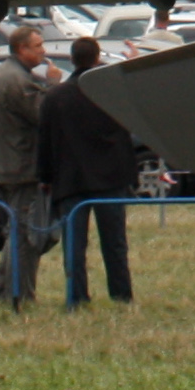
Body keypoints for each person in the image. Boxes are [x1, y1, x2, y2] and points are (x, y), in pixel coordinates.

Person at [41, 36, 143, 308]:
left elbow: (46, 141)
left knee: (74, 247)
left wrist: (45, 177)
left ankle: (76, 297)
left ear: (72, 59)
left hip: (71, 179)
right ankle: (122, 295)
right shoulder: (112, 92)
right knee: (115, 243)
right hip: (111, 177)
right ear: (97, 58)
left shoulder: (56, 96)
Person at [0, 24, 57, 307]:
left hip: (4, 165)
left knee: (17, 232)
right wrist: (52, 85)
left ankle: (4, 291)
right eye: (38, 46)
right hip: (19, 167)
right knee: (25, 236)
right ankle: (16, 295)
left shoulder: (1, 74)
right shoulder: (18, 81)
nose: (43, 51)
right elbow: (44, 115)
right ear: (22, 49)